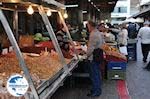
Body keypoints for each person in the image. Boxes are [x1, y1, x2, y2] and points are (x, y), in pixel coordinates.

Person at [86, 20, 104, 97]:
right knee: (97, 73)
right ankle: (97, 89)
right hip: (98, 55)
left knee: (94, 74)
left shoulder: (93, 34)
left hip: (94, 57)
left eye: (88, 26)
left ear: (90, 26)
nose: (87, 27)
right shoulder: (97, 32)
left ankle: (96, 91)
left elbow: (90, 48)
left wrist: (86, 56)